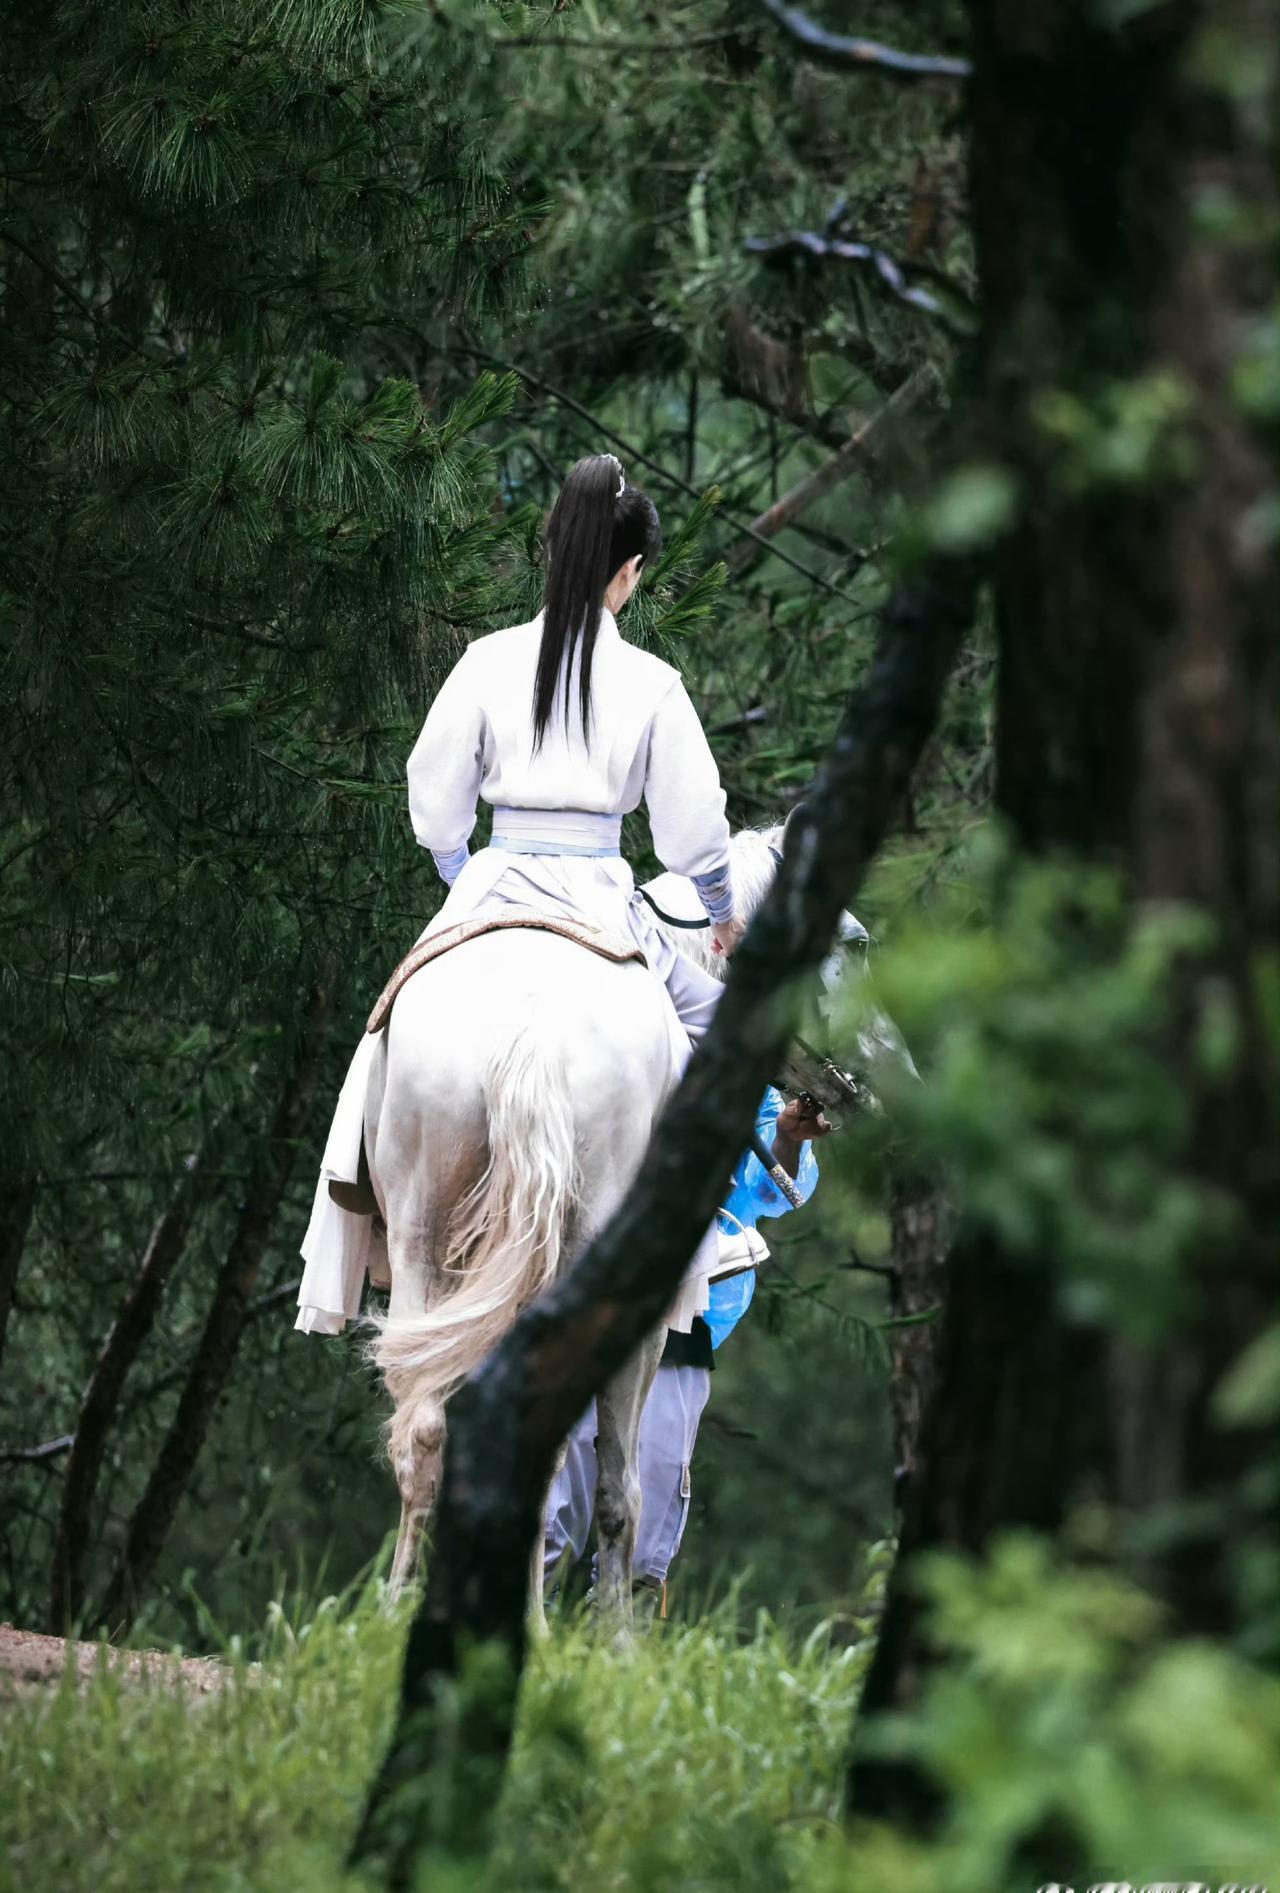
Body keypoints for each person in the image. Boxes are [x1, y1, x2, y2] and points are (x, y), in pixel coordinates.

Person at [296, 452, 742, 1336]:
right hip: (601, 900)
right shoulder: (653, 684)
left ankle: (357, 1199)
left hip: (494, 882)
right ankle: (697, 1248)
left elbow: (433, 798)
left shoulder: (487, 660)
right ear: (630, 572)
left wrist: (464, 871)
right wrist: (723, 913)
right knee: (705, 1043)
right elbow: (696, 833)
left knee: (384, 1039)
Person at [543, 1089, 831, 1611]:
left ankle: (618, 1643)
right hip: (585, 1292)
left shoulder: (748, 1075)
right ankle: (511, 1625)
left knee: (650, 1500)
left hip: (687, 1313)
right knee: (555, 1488)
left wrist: (787, 1138)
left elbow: (775, 1186)